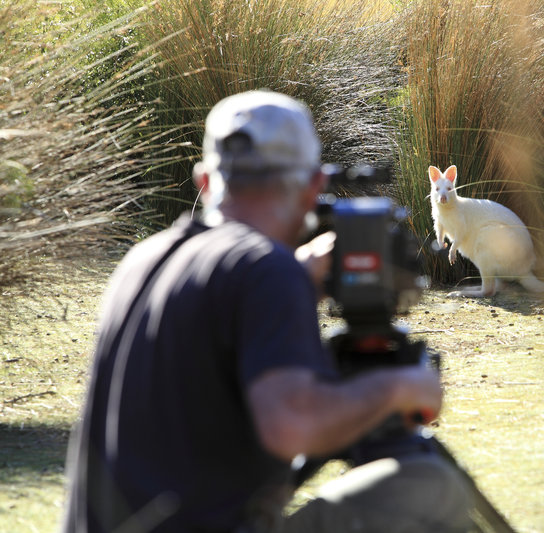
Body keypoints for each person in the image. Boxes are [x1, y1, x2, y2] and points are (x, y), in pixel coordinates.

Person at [61, 90, 471, 533]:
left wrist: (293, 278)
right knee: (428, 484)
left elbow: (219, 305)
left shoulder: (145, 259)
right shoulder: (265, 271)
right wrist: (401, 385)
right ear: (314, 184)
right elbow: (291, 427)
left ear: (204, 180)